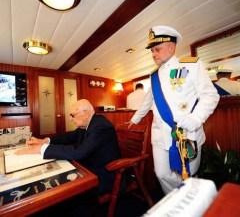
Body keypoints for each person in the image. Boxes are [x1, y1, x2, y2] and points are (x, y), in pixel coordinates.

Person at [128, 25, 220, 194]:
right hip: (161, 135)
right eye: (152, 51)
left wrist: (194, 120)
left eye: (157, 49)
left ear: (171, 46)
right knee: (162, 174)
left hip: (187, 133)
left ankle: (190, 201)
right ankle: (179, 198)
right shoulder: (153, 75)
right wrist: (135, 119)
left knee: (190, 175)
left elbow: (211, 95)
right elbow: (148, 101)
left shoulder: (191, 65)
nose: (153, 54)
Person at [16, 99, 120, 195]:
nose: (70, 119)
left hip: (102, 173)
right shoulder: (87, 124)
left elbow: (79, 152)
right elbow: (68, 137)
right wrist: (45, 141)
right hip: (87, 165)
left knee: (58, 191)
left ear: (86, 112)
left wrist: (41, 149)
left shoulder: (100, 126)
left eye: (72, 115)